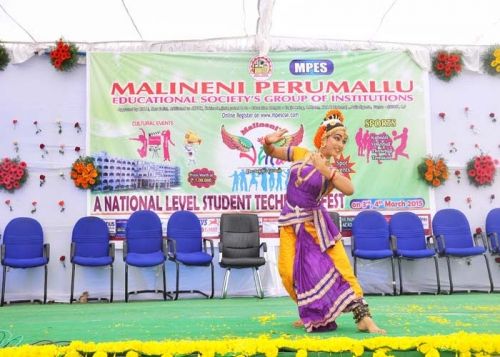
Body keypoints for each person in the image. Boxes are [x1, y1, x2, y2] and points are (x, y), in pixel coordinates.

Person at [261, 109, 385, 333]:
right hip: (289, 224)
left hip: (316, 226)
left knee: (342, 268)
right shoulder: (300, 153)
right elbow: (272, 151)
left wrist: (325, 171)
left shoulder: (331, 171)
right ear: (323, 138)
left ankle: (363, 317)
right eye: (337, 138)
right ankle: (310, 310)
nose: (340, 144)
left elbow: (349, 189)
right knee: (287, 273)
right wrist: (268, 142)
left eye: (344, 141)